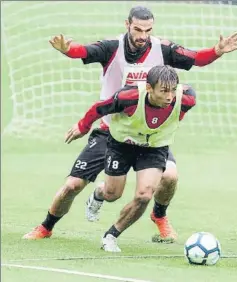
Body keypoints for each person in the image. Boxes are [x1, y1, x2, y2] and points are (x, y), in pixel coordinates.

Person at [23, 6, 237, 241]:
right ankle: (46, 227)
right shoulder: (112, 47)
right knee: (73, 186)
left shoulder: (163, 48)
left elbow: (195, 58)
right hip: (111, 131)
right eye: (137, 29)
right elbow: (85, 51)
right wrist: (68, 50)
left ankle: (159, 217)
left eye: (147, 30)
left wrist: (217, 50)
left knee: (170, 177)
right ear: (127, 24)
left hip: (149, 135)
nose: (142, 36)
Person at [65, 65, 196, 252]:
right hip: (121, 146)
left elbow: (174, 115)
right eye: (164, 91)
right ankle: (98, 194)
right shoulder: (128, 97)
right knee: (112, 194)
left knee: (144, 195)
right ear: (149, 88)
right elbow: (99, 108)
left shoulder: (187, 99)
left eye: (173, 90)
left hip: (154, 147)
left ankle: (111, 235)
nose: (170, 97)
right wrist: (82, 127)